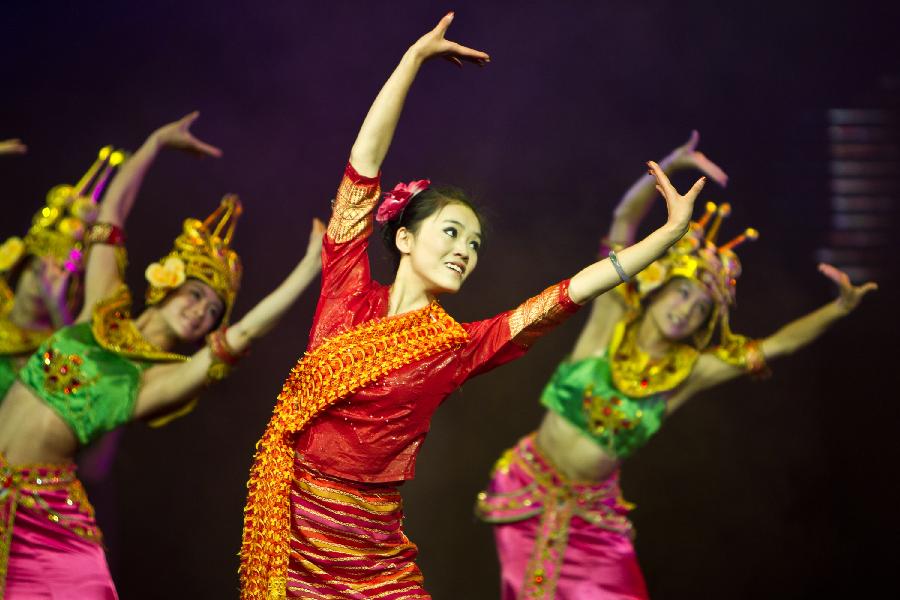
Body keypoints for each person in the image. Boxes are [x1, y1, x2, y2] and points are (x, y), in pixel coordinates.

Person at [238, 14, 708, 600]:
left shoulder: (457, 346)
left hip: (377, 555)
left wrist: (663, 241)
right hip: (296, 536)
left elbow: (567, 294)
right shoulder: (346, 290)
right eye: (453, 233)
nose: (465, 251)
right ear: (405, 238)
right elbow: (364, 161)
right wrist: (411, 62)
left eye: (476, 244)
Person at [475, 134, 878, 600]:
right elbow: (623, 222)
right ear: (662, 287)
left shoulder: (690, 371)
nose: (686, 310)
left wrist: (839, 310)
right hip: (528, 485)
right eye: (684, 293)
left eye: (701, 309)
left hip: (594, 518)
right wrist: (669, 165)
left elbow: (775, 347)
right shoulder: (611, 317)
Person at [0, 112, 325, 599]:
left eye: (212, 311)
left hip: (42, 513)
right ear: (168, 284)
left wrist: (307, 270)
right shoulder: (101, 309)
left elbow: (245, 334)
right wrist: (151, 146)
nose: (201, 313)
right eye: (195, 296)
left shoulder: (154, 382)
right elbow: (111, 217)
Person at [0, 146, 125, 398]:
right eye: (37, 269)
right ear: (21, 267)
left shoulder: (49, 353)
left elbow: (80, 391)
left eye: (58, 275)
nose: (43, 283)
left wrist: (58, 309)